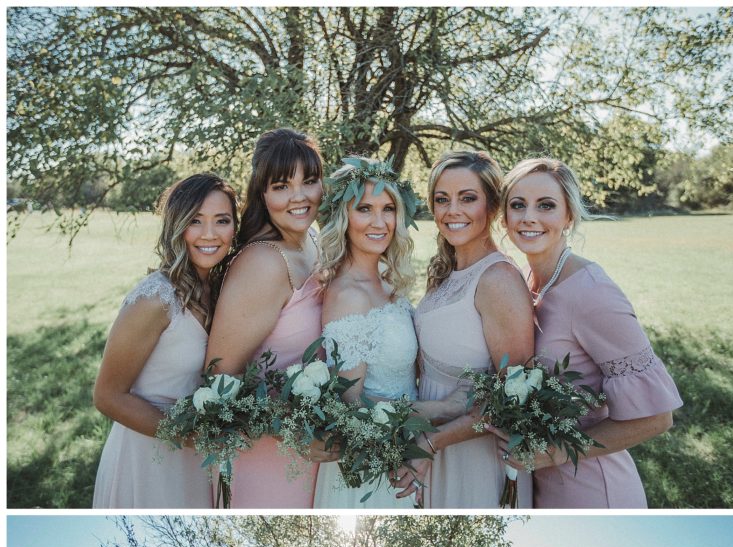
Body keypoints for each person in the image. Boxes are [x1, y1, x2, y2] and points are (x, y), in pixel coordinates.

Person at [491, 156, 683, 508]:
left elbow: (657, 418)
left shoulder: (592, 293)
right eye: (517, 205)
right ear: (504, 217)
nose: (528, 216)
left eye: (545, 205)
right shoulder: (524, 279)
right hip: (542, 486)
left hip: (594, 489)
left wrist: (553, 453)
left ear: (569, 216)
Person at [397, 149, 535, 508]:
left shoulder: (499, 279)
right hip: (430, 440)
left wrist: (432, 442)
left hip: (470, 454)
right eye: (442, 199)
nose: (451, 210)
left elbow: (512, 399)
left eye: (467, 198)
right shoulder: (446, 271)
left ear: (491, 206)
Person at [205, 127, 334, 508]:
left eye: (309, 182)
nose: (299, 197)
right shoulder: (263, 262)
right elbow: (219, 381)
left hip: (310, 453)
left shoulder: (313, 241)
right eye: (281, 186)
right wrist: (292, 431)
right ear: (262, 193)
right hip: (266, 456)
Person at [93, 173, 237, 508]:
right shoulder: (155, 298)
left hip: (197, 458)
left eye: (222, 221)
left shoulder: (219, 291)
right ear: (177, 225)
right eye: (195, 221)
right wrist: (191, 438)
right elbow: (107, 396)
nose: (210, 234)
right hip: (148, 455)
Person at [312, 157, 424, 508]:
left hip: (402, 457)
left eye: (388, 208)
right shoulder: (349, 296)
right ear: (344, 219)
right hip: (370, 470)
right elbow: (353, 406)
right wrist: (442, 410)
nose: (380, 222)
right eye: (364, 209)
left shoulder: (389, 282)